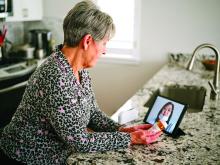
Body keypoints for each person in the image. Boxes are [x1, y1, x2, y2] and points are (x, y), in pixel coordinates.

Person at [0, 0, 162, 164]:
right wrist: (130, 138)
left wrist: (122, 129)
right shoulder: (55, 76)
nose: (105, 50)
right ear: (87, 41)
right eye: (104, 43)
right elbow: (79, 140)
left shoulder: (78, 70)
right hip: (24, 158)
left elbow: (93, 113)